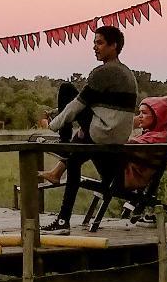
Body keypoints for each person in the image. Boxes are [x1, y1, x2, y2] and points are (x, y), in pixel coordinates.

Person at [42, 25, 137, 232]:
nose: (95, 47)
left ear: (114, 46)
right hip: (117, 135)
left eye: (100, 43)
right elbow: (98, 107)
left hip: (104, 132)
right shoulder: (127, 73)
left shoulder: (103, 72)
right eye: (94, 43)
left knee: (66, 89)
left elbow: (76, 105)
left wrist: (53, 125)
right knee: (75, 160)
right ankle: (63, 221)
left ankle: (64, 143)